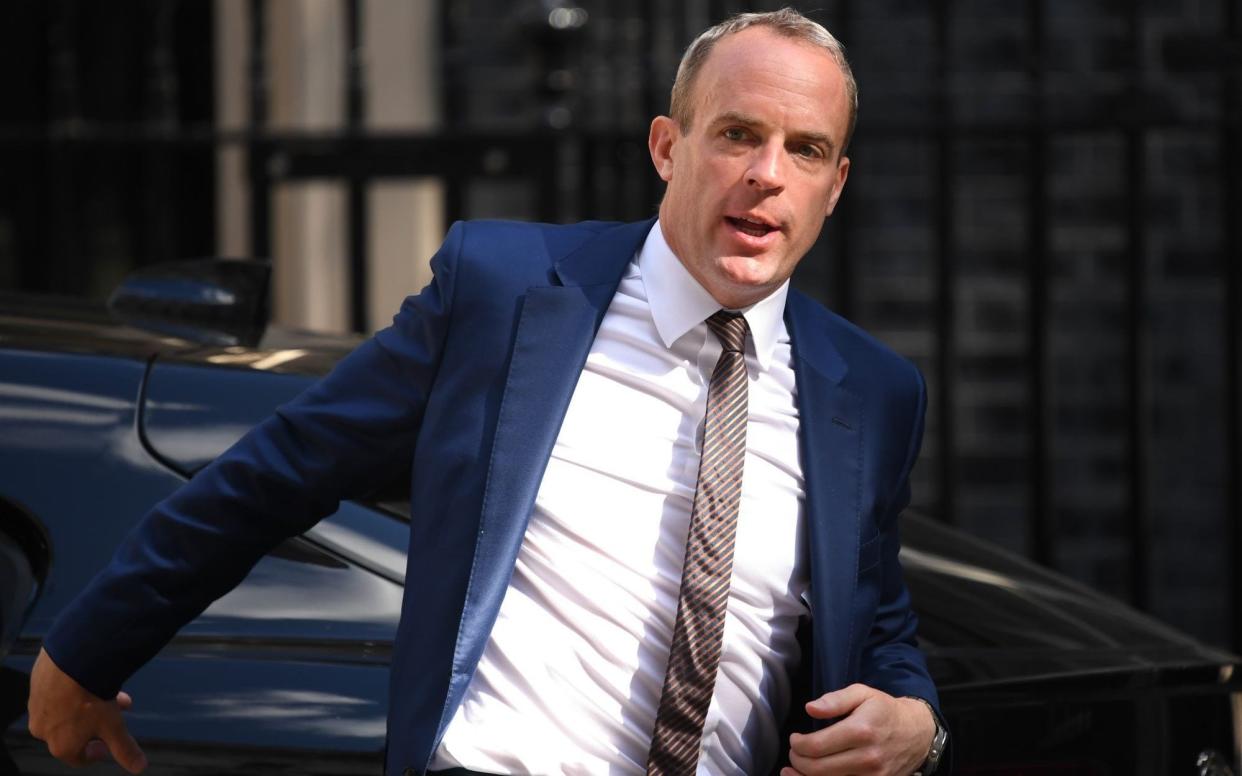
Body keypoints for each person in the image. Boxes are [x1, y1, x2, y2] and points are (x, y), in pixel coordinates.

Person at [27, 8, 947, 776]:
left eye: (806, 149)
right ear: (668, 148)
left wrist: (921, 725)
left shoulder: (869, 392)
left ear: (835, 185)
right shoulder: (506, 294)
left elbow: (876, 618)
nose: (767, 174)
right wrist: (86, 648)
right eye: (739, 134)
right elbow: (283, 469)